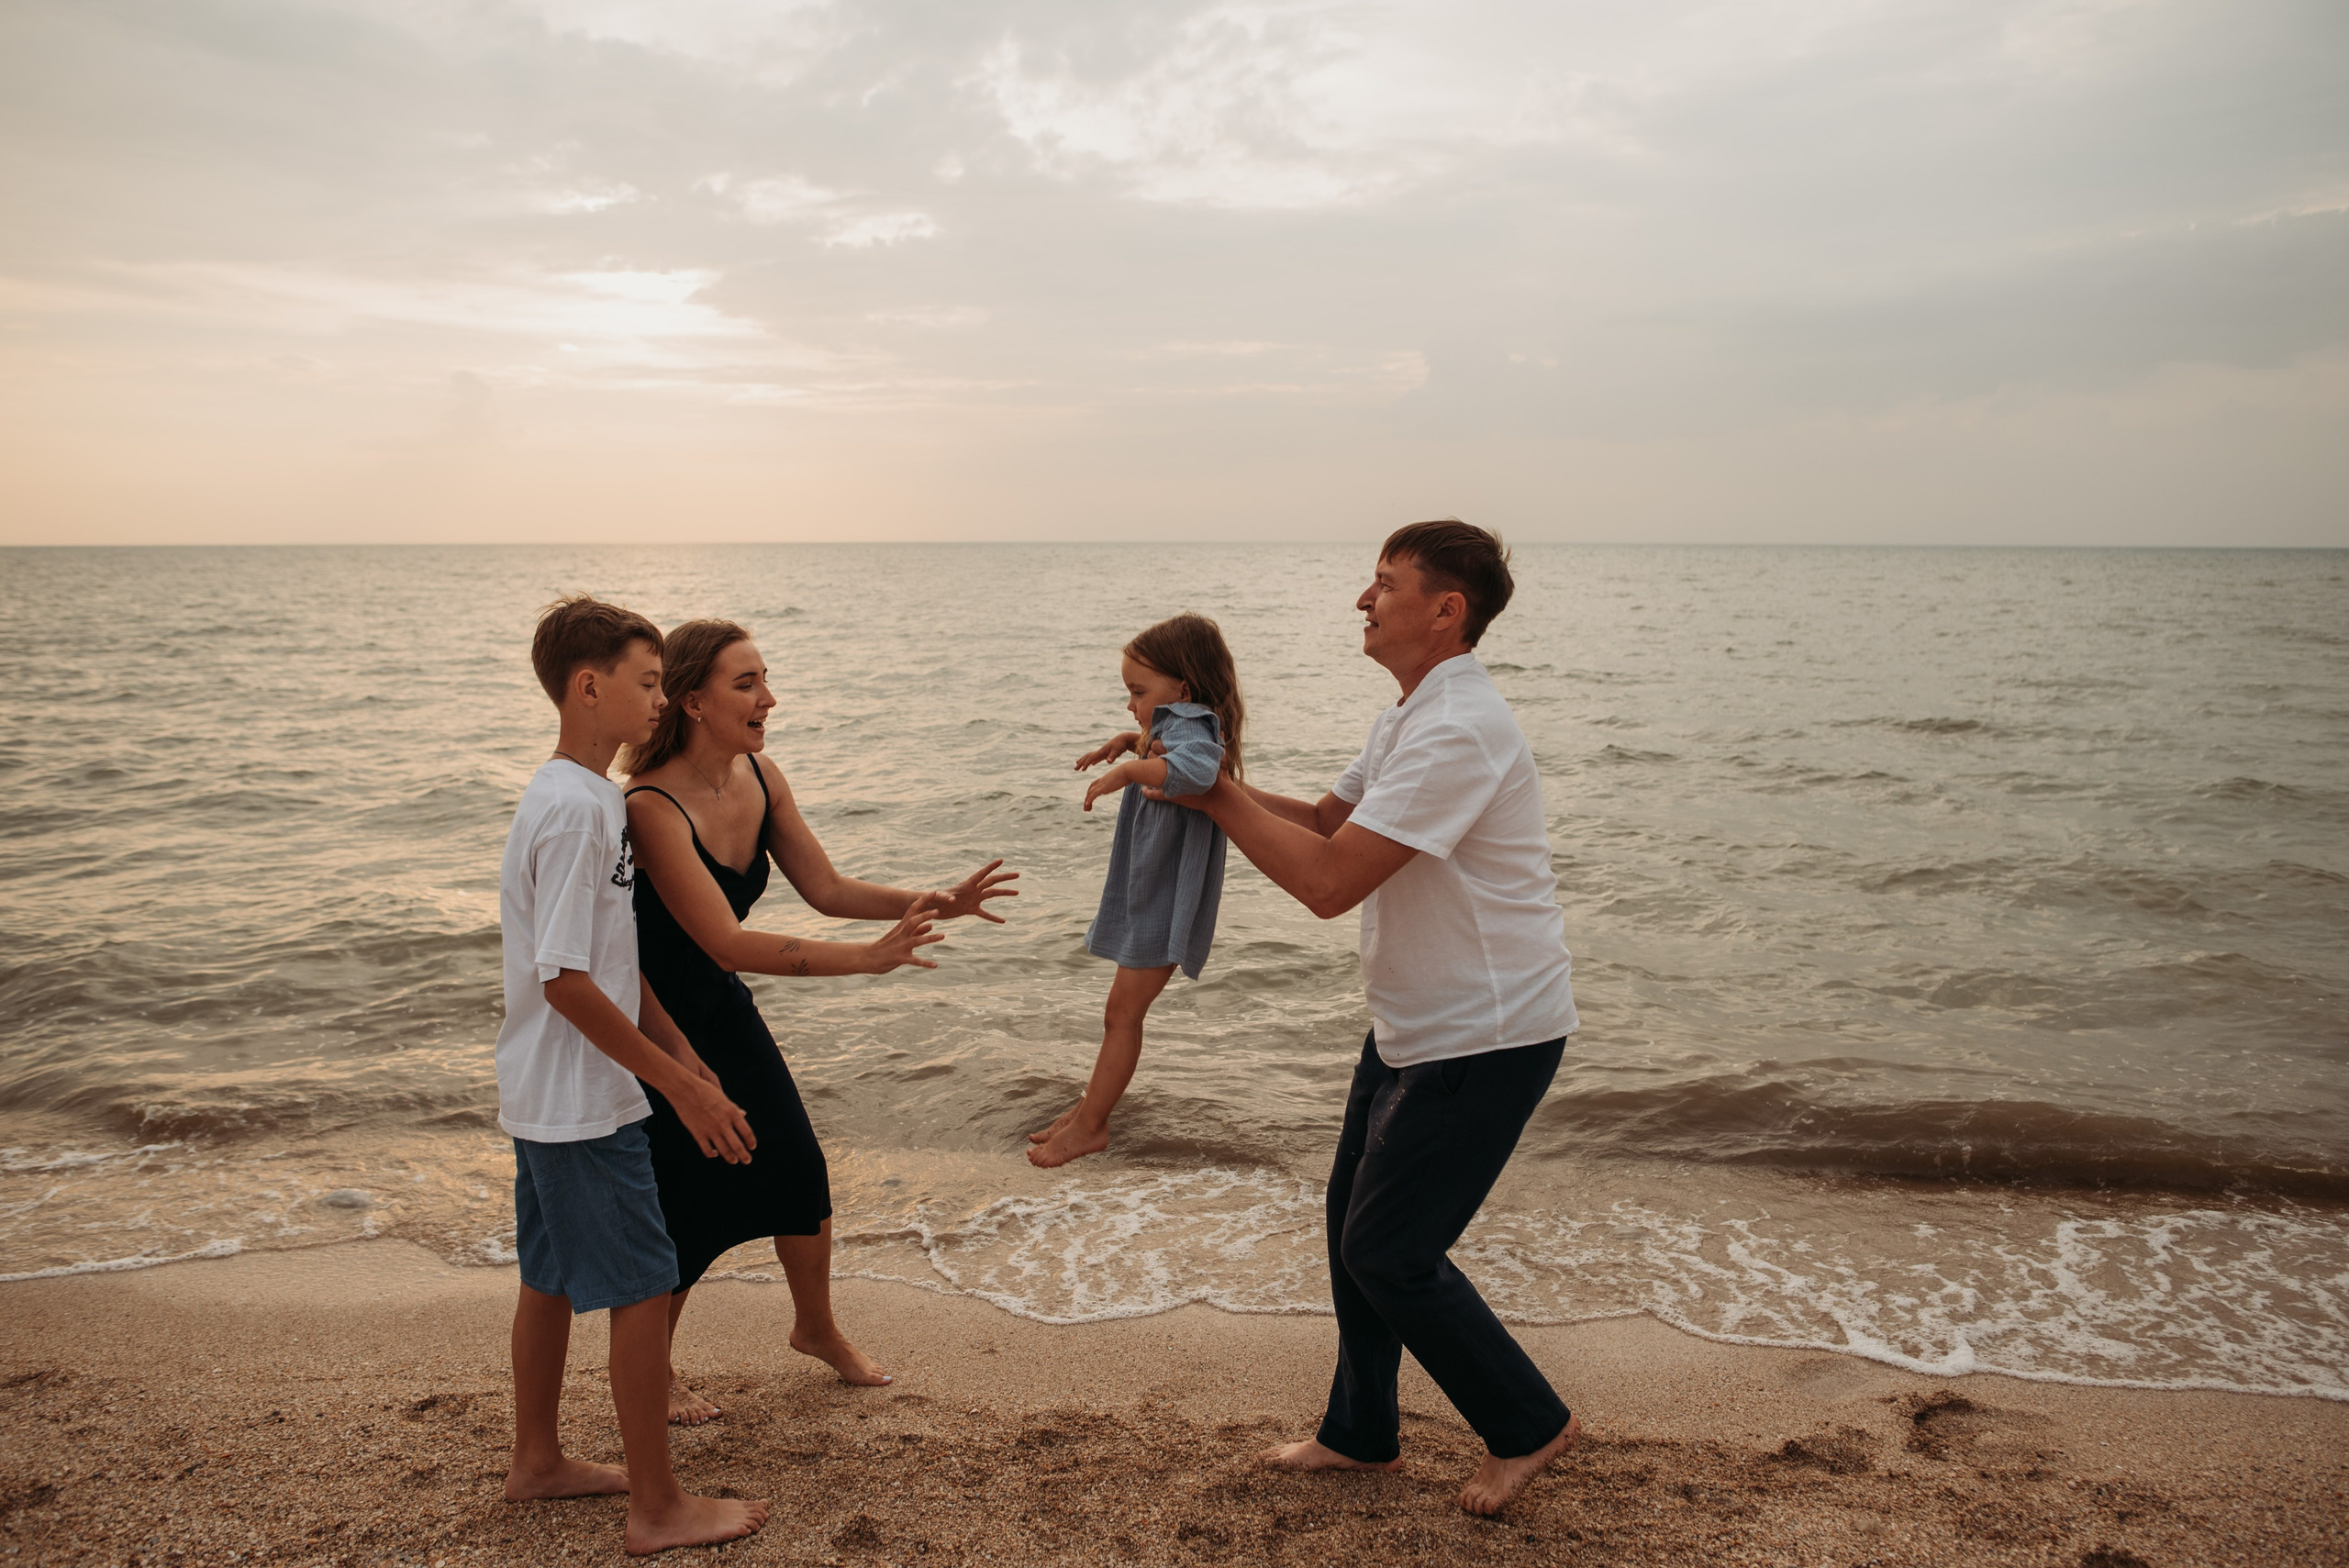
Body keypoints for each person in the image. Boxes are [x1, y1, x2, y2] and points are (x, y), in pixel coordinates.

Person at [1149, 522, 1581, 1516]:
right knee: (1354, 1230)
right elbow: (1324, 823)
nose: (1362, 599)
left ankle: (1527, 1421)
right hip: (1416, 1022)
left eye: (1384, 584)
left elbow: (1328, 881)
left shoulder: (1458, 728)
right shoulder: (1411, 714)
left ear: (1446, 610)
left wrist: (1210, 795)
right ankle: (1360, 1433)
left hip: (1488, 1032)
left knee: (1388, 1250)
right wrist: (1182, 781)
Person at [620, 618, 1018, 1420]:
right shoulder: (650, 805)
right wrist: (867, 959)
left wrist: (933, 900)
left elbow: (826, 888)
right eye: (747, 684)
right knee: (685, 1196)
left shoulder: (760, 775)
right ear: (692, 700)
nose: (768, 698)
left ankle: (815, 1327)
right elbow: (726, 940)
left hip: (721, 1008)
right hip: (656, 1025)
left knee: (796, 1165)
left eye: (764, 679)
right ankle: (651, 1368)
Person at [495, 595, 769, 1552]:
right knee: (644, 1286)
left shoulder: (577, 794)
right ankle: (657, 1505)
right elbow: (566, 980)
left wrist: (685, 1055)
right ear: (588, 686)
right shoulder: (579, 810)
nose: (659, 701)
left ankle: (537, 1460)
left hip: (545, 1089)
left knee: (549, 1278)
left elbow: (609, 960)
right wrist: (679, 1088)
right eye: (647, 683)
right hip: (583, 1101)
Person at [1029, 612, 1244, 1169]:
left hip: (1166, 901)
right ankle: (1088, 1112)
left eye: (1138, 692)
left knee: (1122, 1015)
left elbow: (1198, 769)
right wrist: (1130, 743)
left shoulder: (1194, 726)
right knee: (1119, 1013)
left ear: (1184, 690)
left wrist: (1126, 772)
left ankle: (1092, 1125)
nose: (1130, 703)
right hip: (1156, 894)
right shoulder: (1182, 722)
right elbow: (1168, 750)